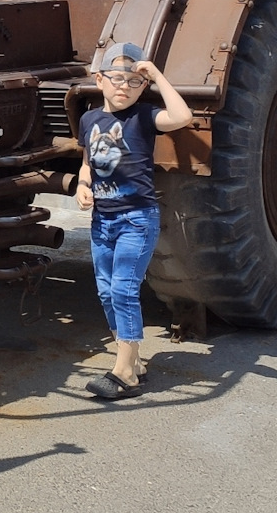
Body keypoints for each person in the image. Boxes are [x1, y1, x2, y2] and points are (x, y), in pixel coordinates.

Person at [76, 42, 192, 400]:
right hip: (102, 221)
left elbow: (183, 116)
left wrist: (156, 75)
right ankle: (134, 360)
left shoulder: (143, 117)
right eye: (116, 79)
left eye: (133, 81)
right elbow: (87, 160)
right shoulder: (90, 120)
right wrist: (82, 184)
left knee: (125, 290)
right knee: (107, 291)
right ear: (99, 79)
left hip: (136, 219)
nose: (124, 86)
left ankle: (124, 372)